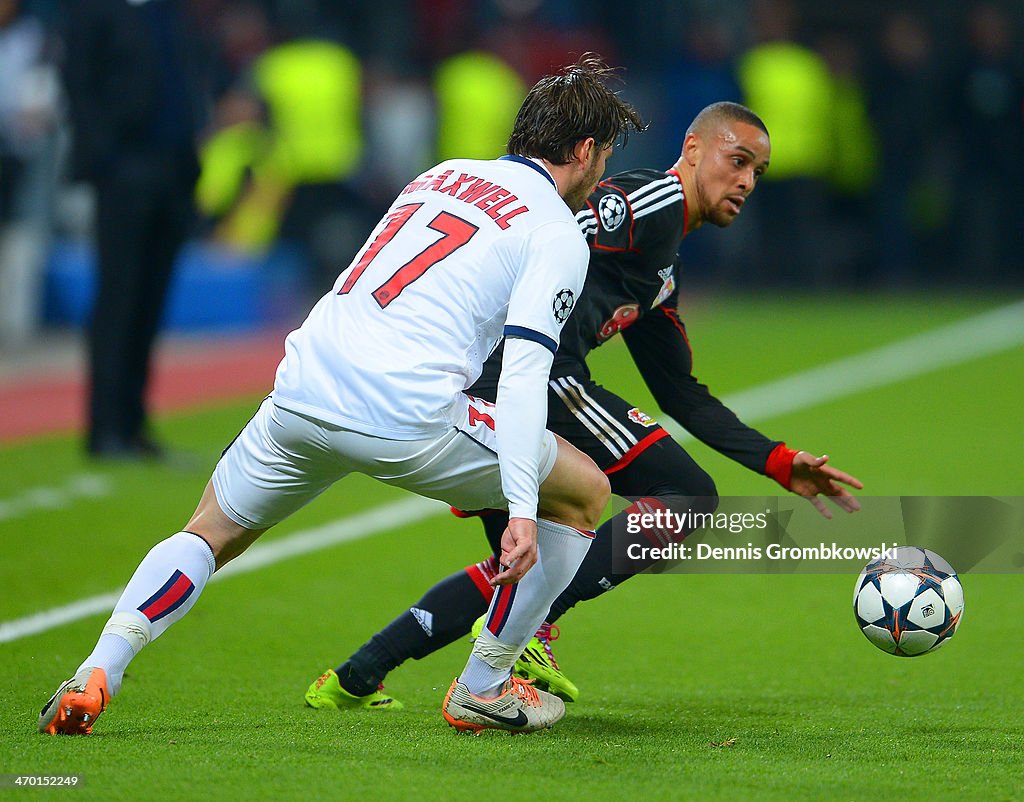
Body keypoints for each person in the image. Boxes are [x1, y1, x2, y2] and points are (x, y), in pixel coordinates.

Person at [38, 55, 646, 736]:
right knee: (586, 491)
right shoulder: (556, 229)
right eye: (606, 157)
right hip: (405, 413)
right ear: (587, 151)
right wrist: (523, 510)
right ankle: (485, 684)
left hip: (303, 387)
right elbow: (527, 370)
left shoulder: (439, 174)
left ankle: (100, 667)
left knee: (207, 532)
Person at [307, 101, 864, 710]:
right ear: (694, 149)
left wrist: (779, 462)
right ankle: (528, 629)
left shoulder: (659, 273)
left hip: (507, 384)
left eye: (757, 171)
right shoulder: (649, 201)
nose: (747, 182)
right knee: (684, 496)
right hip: (523, 377)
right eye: (737, 161)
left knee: (519, 566)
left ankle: (355, 677)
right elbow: (557, 229)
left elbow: (679, 391)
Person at [62, 0, 204, 458]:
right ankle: (104, 429)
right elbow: (78, 85)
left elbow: (181, 83)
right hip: (124, 171)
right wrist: (104, 159)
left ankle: (133, 423)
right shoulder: (95, 11)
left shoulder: (165, 12)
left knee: (149, 302)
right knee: (119, 299)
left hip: (172, 172)